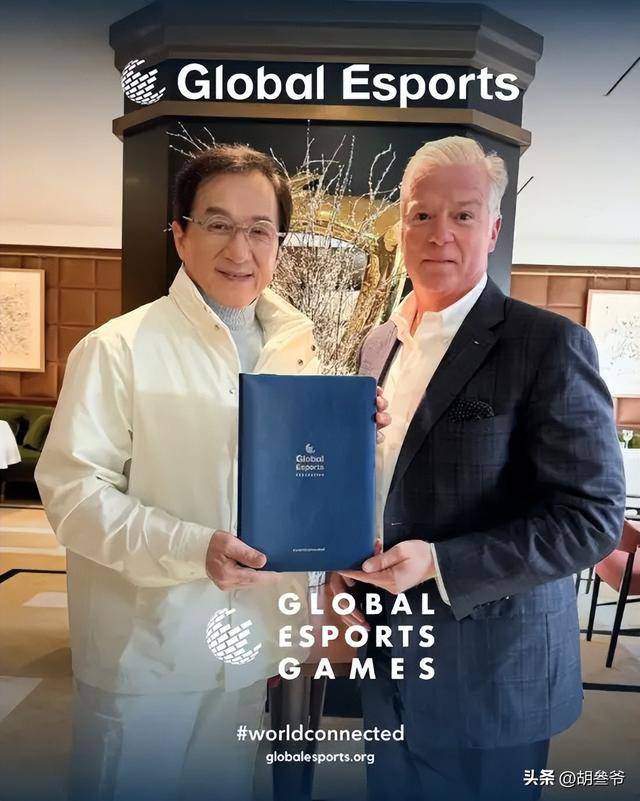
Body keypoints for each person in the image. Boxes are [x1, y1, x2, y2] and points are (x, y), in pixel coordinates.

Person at [35, 143, 389, 801]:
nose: (239, 248)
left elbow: (300, 487)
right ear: (180, 234)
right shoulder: (118, 349)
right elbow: (74, 496)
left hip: (248, 648)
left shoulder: (297, 351)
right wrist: (192, 548)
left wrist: (353, 437)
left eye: (260, 229)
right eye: (218, 224)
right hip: (147, 653)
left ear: (280, 243)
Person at [332, 136, 625, 801]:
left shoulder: (547, 343)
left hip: (493, 675)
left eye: (463, 215)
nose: (440, 233)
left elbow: (591, 520)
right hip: (385, 651)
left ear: (492, 230)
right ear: (400, 227)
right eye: (421, 214)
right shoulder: (377, 343)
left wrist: (440, 562)